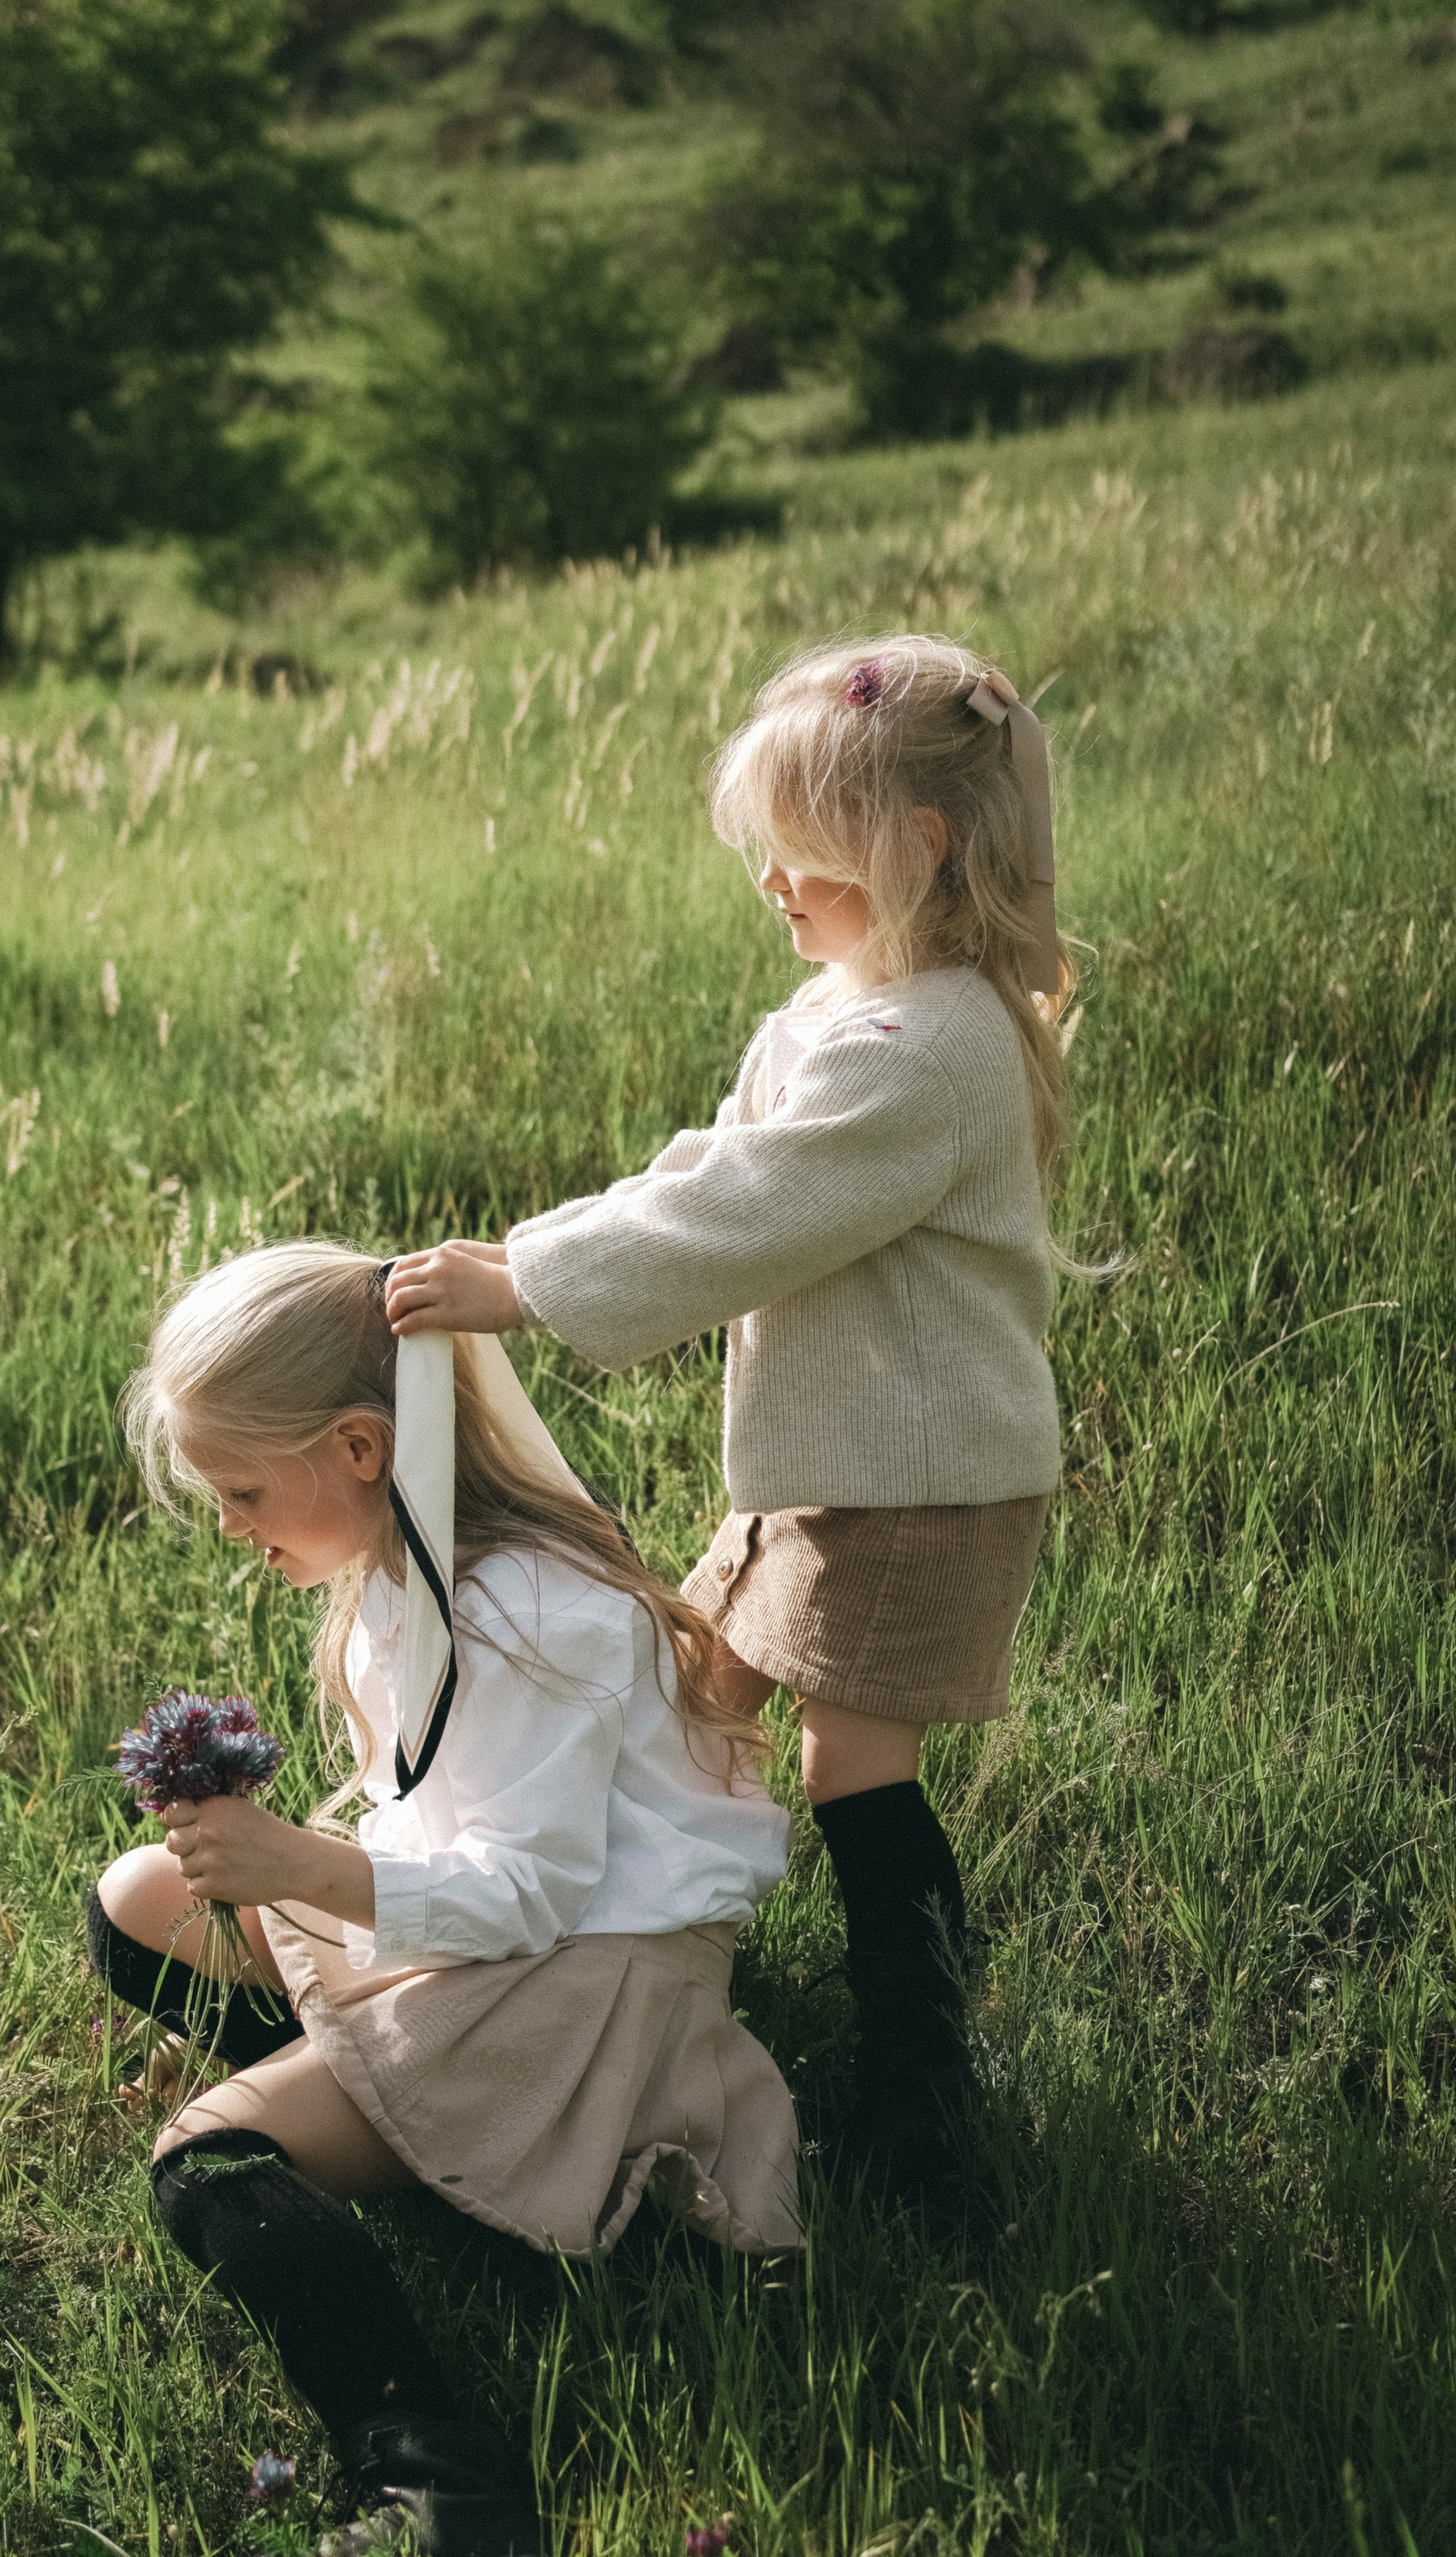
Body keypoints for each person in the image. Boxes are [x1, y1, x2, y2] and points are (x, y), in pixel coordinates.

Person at [386, 633, 1078, 2222]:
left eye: (803, 851)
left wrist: (527, 1290)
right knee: (690, 1690)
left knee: (848, 1761)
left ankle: (918, 2096)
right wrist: (530, 1253)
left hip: (910, 1484)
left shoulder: (929, 1049)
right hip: (831, 1469)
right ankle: (625, 1974)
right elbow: (704, 1172)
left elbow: (750, 1218)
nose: (772, 880)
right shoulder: (853, 1002)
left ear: (918, 849)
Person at [86, 1240, 798, 2557]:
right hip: (495, 1933)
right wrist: (290, 1869)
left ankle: (439, 2479)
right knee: (139, 1903)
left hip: (592, 1973)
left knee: (208, 2167)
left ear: (361, 1448)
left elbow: (531, 1895)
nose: (233, 1528)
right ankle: (383, 2123)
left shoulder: (529, 1609)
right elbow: (447, 1828)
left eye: (242, 1492)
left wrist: (300, 1866)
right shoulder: (401, 1569)